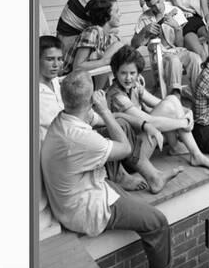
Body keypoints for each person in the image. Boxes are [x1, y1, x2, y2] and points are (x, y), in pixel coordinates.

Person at [41, 71, 172, 268]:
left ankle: (132, 179)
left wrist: (146, 125)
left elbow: (115, 121)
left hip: (82, 191)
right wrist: (104, 108)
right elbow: (125, 148)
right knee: (157, 222)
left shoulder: (65, 117)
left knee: (121, 125)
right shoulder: (80, 138)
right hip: (86, 209)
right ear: (90, 99)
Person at [39, 35, 147, 192]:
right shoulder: (35, 95)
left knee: (119, 123)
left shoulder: (55, 81)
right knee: (107, 131)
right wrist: (103, 116)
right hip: (60, 148)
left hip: (77, 132)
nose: (57, 64)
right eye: (50, 59)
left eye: (60, 59)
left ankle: (134, 174)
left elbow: (79, 113)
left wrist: (107, 117)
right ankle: (119, 176)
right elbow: (67, 123)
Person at [107, 45, 209, 170]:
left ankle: (187, 151)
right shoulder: (117, 96)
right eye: (123, 73)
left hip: (141, 140)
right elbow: (149, 121)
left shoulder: (134, 86)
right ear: (115, 73)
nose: (128, 78)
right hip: (131, 155)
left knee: (171, 100)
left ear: (138, 73)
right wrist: (184, 122)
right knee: (169, 106)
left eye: (132, 73)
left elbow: (160, 103)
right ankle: (187, 150)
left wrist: (187, 111)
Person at [131, 0, 202, 98]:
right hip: (161, 56)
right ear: (148, 5)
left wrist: (177, 28)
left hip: (178, 50)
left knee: (195, 58)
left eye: (158, 2)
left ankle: (199, 94)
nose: (158, 7)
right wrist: (144, 31)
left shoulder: (175, 11)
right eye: (153, 6)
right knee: (173, 61)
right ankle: (175, 96)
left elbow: (180, 44)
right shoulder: (144, 18)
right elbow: (133, 45)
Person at [62, 0, 123, 79]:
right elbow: (78, 67)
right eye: (116, 11)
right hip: (67, 80)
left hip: (85, 80)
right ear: (105, 16)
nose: (120, 14)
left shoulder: (107, 36)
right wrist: (105, 61)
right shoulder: (92, 32)